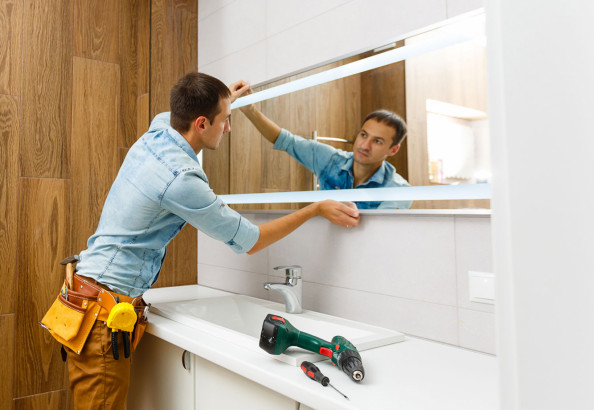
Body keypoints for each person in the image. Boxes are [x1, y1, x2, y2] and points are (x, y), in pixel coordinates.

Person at [40, 72, 360, 409]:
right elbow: (251, 241)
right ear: (203, 123)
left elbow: (187, 114)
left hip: (87, 294)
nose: (229, 128)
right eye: (226, 120)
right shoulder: (182, 179)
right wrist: (315, 208)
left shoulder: (160, 128)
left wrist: (227, 100)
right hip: (103, 316)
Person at [239, 99, 412, 209]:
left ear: (393, 150)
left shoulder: (398, 190)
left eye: (377, 141)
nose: (364, 145)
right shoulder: (330, 161)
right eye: (364, 135)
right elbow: (285, 140)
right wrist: (250, 109)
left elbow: (377, 235)